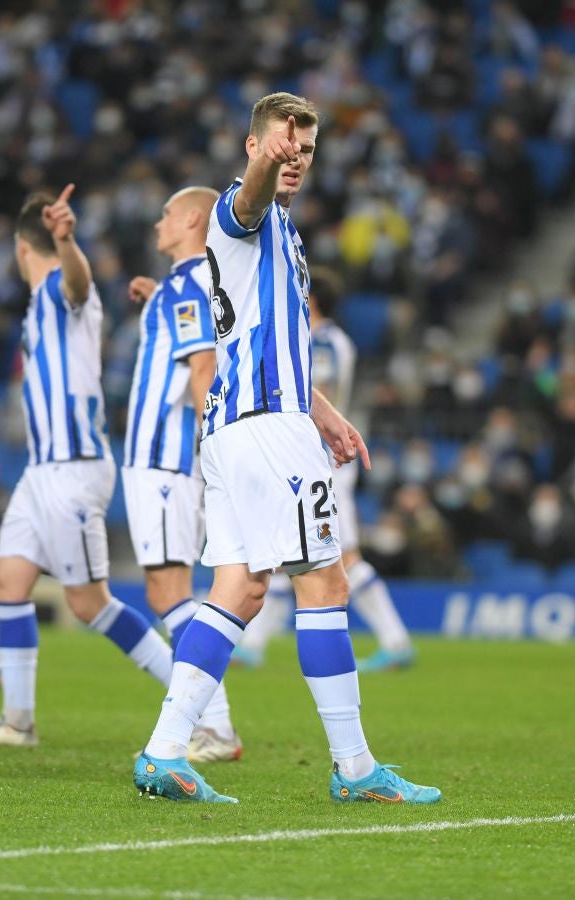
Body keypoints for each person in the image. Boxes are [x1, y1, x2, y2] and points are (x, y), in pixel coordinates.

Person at [132, 93, 440, 804]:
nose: (293, 155)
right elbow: (242, 203)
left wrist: (324, 412)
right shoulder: (243, 214)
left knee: (237, 590)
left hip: (242, 427)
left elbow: (274, 340)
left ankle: (165, 751)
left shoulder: (284, 237)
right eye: (279, 143)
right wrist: (264, 170)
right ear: (252, 146)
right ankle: (357, 770)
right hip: (269, 430)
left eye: (304, 147)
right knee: (325, 585)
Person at [0, 187, 174, 748]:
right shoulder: (35, 306)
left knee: (87, 602)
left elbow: (78, 283)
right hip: (41, 469)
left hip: (73, 466)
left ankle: (204, 705)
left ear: (20, 248)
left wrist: (69, 242)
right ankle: (16, 721)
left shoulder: (57, 288)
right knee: (9, 579)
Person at [234, 270, 416, 672]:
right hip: (301, 458)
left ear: (309, 298)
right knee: (289, 550)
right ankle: (252, 645)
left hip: (324, 461)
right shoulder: (310, 337)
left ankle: (396, 640)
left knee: (344, 555)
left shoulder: (326, 342)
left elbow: (320, 397)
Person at [123, 186, 242, 764]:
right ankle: (208, 722)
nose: (157, 221)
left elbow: (203, 368)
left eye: (166, 213)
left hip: (167, 459)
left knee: (172, 591)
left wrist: (211, 449)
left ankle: (215, 727)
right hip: (157, 460)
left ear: (193, 218)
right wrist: (154, 302)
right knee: (163, 589)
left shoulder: (189, 284)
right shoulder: (185, 288)